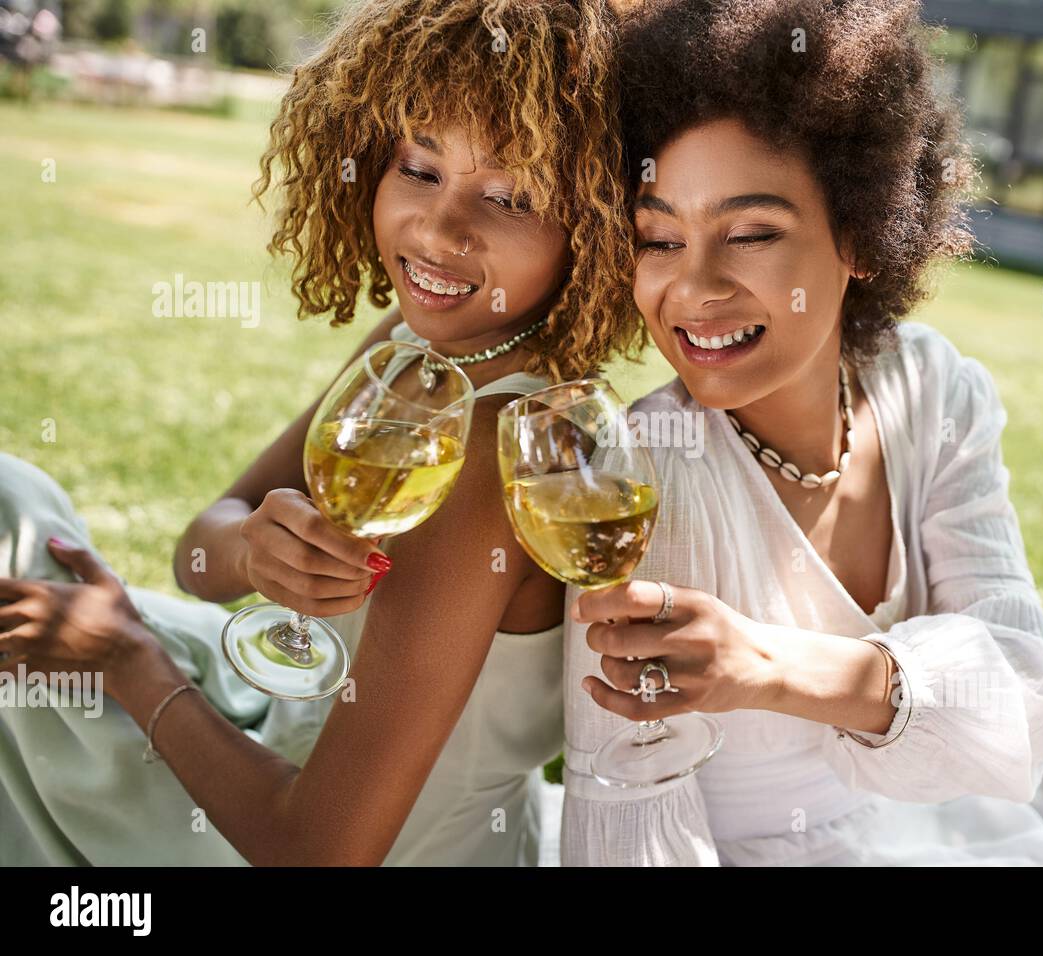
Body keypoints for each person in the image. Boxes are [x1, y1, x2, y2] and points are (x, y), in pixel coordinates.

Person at [559, 0, 1043, 866]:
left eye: (752, 232)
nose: (694, 287)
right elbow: (628, 814)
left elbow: (1025, 685)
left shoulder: (929, 386)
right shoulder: (640, 482)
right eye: (659, 237)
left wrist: (775, 665)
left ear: (864, 235)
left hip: (943, 827)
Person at [0, 0, 643, 866]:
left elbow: (318, 852)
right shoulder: (418, 348)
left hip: (299, 829)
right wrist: (254, 555)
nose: (439, 227)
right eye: (419, 168)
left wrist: (122, 655)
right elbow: (200, 555)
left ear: (597, 228)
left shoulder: (495, 453)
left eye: (510, 196)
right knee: (15, 504)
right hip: (272, 721)